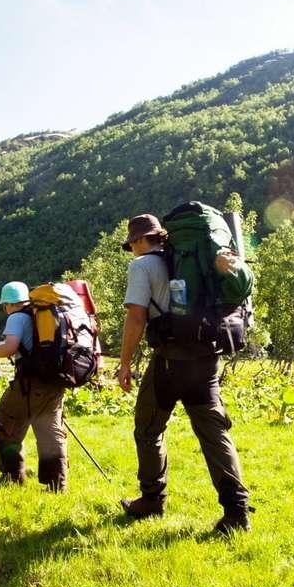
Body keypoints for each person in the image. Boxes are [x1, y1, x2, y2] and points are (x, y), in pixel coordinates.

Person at [116, 213, 252, 535]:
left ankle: (152, 499)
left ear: (137, 241)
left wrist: (124, 363)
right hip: (206, 359)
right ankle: (237, 512)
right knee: (214, 433)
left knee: (148, 429)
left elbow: (136, 317)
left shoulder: (142, 266)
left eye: (131, 245)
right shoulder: (186, 260)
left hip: (169, 361)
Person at [0, 281, 69, 492]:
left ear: (8, 304)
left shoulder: (17, 317)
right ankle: (58, 484)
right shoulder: (42, 313)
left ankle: (12, 476)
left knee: (6, 421)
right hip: (56, 379)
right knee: (50, 430)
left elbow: (9, 348)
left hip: (30, 382)